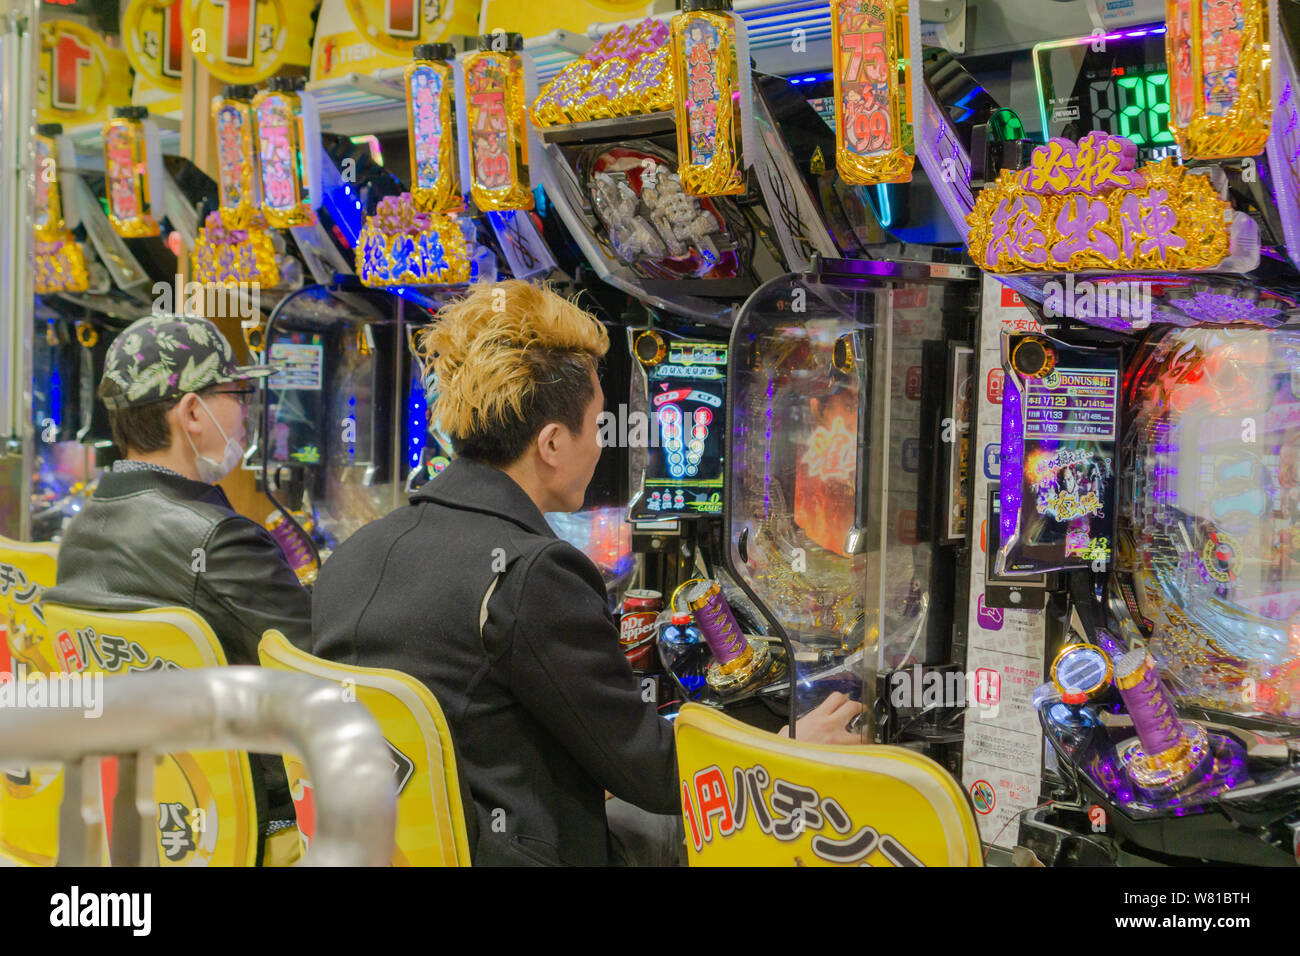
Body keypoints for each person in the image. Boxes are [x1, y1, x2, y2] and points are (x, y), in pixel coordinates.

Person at [310, 281, 864, 866]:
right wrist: (787, 748)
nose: (604, 449)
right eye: (599, 427)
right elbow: (653, 772)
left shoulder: (353, 556)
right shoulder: (532, 574)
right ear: (551, 443)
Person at [45, 313, 312, 863]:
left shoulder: (78, 535)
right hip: (265, 833)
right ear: (193, 412)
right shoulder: (220, 541)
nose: (246, 414)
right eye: (237, 394)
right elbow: (326, 670)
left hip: (160, 820)